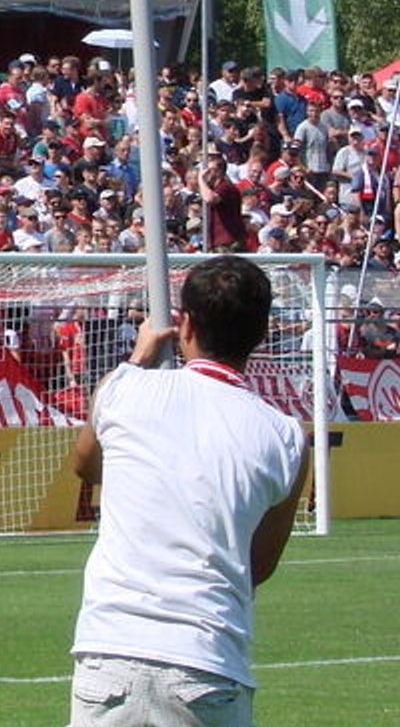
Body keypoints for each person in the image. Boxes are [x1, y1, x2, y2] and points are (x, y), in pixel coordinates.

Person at [68, 255, 310, 726]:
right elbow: (256, 565)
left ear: (184, 324)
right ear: (263, 333)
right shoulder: (283, 436)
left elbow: (87, 464)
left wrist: (135, 361)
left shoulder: (125, 390)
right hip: (206, 657)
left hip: (110, 650)